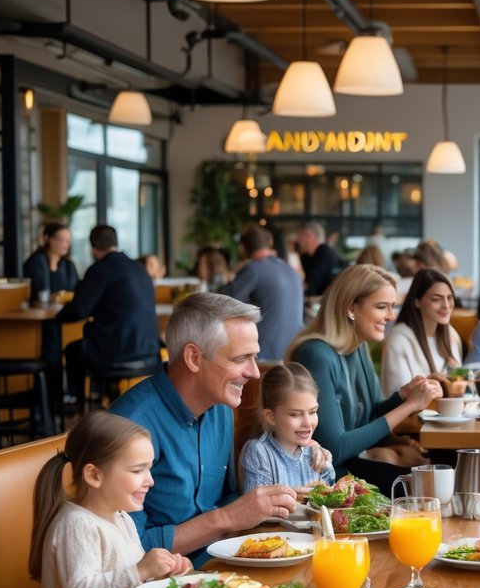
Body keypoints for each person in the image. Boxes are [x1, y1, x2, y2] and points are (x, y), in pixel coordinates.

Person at [110, 293, 300, 566]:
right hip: (156, 587)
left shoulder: (220, 407)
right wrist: (227, 518)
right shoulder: (129, 426)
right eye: (241, 358)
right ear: (194, 358)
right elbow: (128, 548)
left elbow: (228, 499)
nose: (255, 372)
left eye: (254, 357)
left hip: (223, 564)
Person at [29, 411, 191, 588]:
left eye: (149, 469)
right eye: (138, 471)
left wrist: (165, 573)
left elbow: (130, 583)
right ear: (94, 475)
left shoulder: (121, 517)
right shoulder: (75, 524)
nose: (150, 481)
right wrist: (141, 569)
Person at [287, 265, 442, 492]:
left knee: (438, 478)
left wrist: (402, 396)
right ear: (351, 308)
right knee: (427, 487)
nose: (391, 316)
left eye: (392, 307)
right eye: (382, 307)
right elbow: (335, 447)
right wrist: (409, 406)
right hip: (324, 480)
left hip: (349, 467)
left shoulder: (358, 346)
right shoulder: (316, 355)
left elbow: (368, 418)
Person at [59, 225, 161, 407]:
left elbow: (78, 311)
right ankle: (106, 399)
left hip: (118, 354)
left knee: (73, 351)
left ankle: (76, 404)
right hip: (150, 353)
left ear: (93, 249)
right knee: (97, 342)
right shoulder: (139, 268)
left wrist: (56, 314)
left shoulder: (99, 270)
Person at [239, 362, 335, 493]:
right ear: (270, 417)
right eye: (295, 414)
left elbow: (330, 497)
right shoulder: (258, 452)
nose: (307, 423)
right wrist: (298, 494)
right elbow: (256, 506)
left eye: (312, 412)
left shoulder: (313, 452)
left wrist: (326, 465)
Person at [219, 224, 304, 361]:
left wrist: (233, 274)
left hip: (266, 354)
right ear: (269, 244)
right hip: (293, 351)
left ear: (243, 248)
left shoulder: (254, 268)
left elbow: (225, 301)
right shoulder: (288, 268)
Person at [380, 268, 463, 395]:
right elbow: (395, 397)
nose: (446, 305)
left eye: (449, 298)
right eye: (436, 299)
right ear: (417, 302)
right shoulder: (399, 339)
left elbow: (459, 386)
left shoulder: (450, 335)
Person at [22, 222, 79, 405]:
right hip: (41, 323)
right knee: (51, 347)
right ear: (47, 239)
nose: (64, 244)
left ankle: (64, 397)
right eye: (60, 240)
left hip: (64, 320)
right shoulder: (36, 261)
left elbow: (76, 292)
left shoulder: (69, 265)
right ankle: (51, 401)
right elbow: (34, 294)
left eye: (67, 241)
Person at [299, 221, 341, 297]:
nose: (299, 240)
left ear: (309, 236)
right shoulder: (305, 256)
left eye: (301, 236)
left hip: (322, 301)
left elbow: (312, 283)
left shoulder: (324, 252)